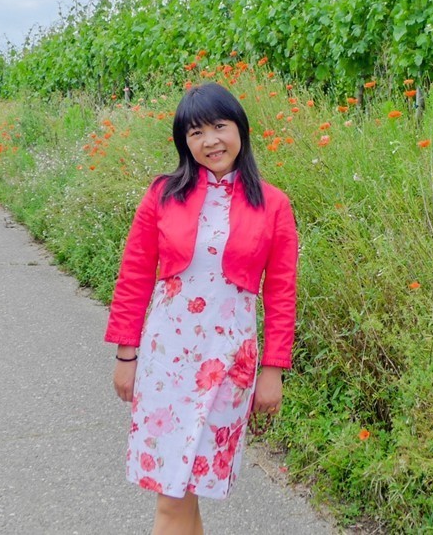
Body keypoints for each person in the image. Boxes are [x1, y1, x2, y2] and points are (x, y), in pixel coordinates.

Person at [105, 81, 300, 534]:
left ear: (240, 130)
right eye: (195, 132)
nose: (209, 141)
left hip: (229, 360)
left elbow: (281, 293)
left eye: (219, 126)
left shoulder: (273, 204)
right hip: (167, 359)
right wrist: (125, 355)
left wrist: (273, 369)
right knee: (172, 494)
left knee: (187, 486)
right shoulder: (162, 194)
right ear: (183, 142)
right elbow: (133, 277)